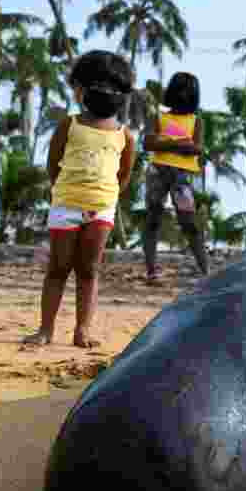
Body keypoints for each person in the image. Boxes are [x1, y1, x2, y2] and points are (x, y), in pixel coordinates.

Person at [24, 50, 136, 347]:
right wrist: (66, 194)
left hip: (101, 211)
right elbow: (53, 164)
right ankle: (45, 330)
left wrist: (105, 199)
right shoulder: (69, 125)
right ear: (81, 91)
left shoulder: (125, 135)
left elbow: (123, 175)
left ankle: (82, 329)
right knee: (58, 268)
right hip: (65, 206)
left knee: (89, 270)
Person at [142, 72, 208, 283]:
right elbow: (147, 143)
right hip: (158, 173)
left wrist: (167, 143)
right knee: (153, 219)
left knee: (189, 222)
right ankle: (151, 271)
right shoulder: (158, 116)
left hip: (181, 177)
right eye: (179, 89)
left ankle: (205, 271)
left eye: (188, 90)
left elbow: (197, 148)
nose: (183, 94)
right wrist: (179, 145)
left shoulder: (196, 121)